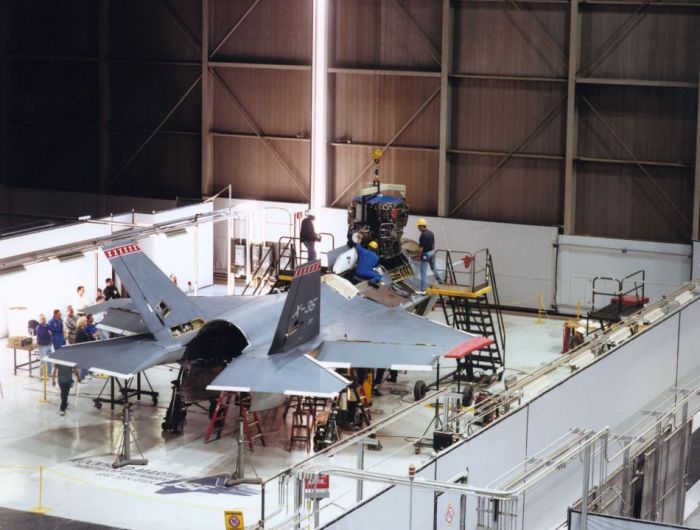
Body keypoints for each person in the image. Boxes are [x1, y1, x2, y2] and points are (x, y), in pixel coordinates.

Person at [417, 218, 442, 293]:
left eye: (418, 226)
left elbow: (421, 248)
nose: (418, 228)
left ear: (421, 226)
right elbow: (433, 245)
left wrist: (419, 256)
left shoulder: (423, 235)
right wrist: (431, 251)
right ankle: (440, 281)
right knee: (433, 268)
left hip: (425, 255)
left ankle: (423, 289)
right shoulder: (431, 233)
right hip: (431, 252)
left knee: (423, 272)